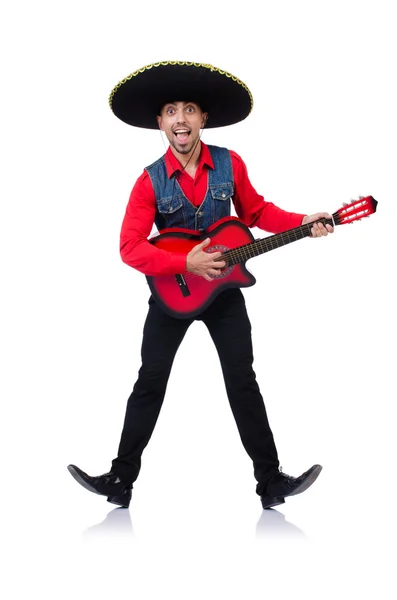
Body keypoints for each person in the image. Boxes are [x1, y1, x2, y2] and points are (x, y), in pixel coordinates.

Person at [67, 61, 334, 510]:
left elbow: (256, 213)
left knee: (242, 379)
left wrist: (303, 221)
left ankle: (270, 481)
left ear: (203, 119)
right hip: (171, 295)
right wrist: (183, 261)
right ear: (160, 123)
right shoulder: (148, 180)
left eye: (189, 110)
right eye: (171, 111)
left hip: (223, 294)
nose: (180, 119)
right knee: (149, 381)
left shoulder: (230, 164)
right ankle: (119, 478)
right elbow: (129, 248)